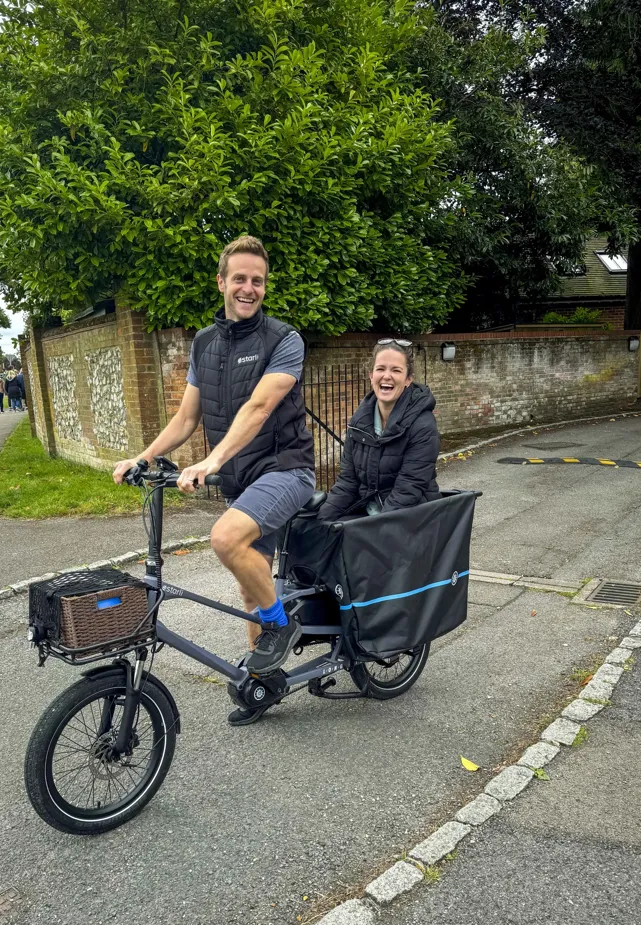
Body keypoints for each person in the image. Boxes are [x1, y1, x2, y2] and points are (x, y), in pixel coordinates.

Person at [113, 236, 316, 722]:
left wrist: (211, 460)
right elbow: (186, 419)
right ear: (222, 282)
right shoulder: (204, 342)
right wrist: (141, 458)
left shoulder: (284, 340)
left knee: (225, 538)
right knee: (251, 586)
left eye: (258, 281)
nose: (249, 288)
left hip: (286, 468)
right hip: (243, 478)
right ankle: (264, 686)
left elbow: (260, 406)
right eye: (240, 278)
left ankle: (281, 626)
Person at [318, 338, 440, 521]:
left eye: (396, 370)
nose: (386, 376)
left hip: (411, 520)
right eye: (380, 369)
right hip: (368, 516)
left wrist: (374, 528)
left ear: (408, 379)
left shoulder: (423, 425)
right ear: (371, 375)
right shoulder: (358, 423)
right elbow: (348, 483)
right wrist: (320, 521)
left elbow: (408, 489)